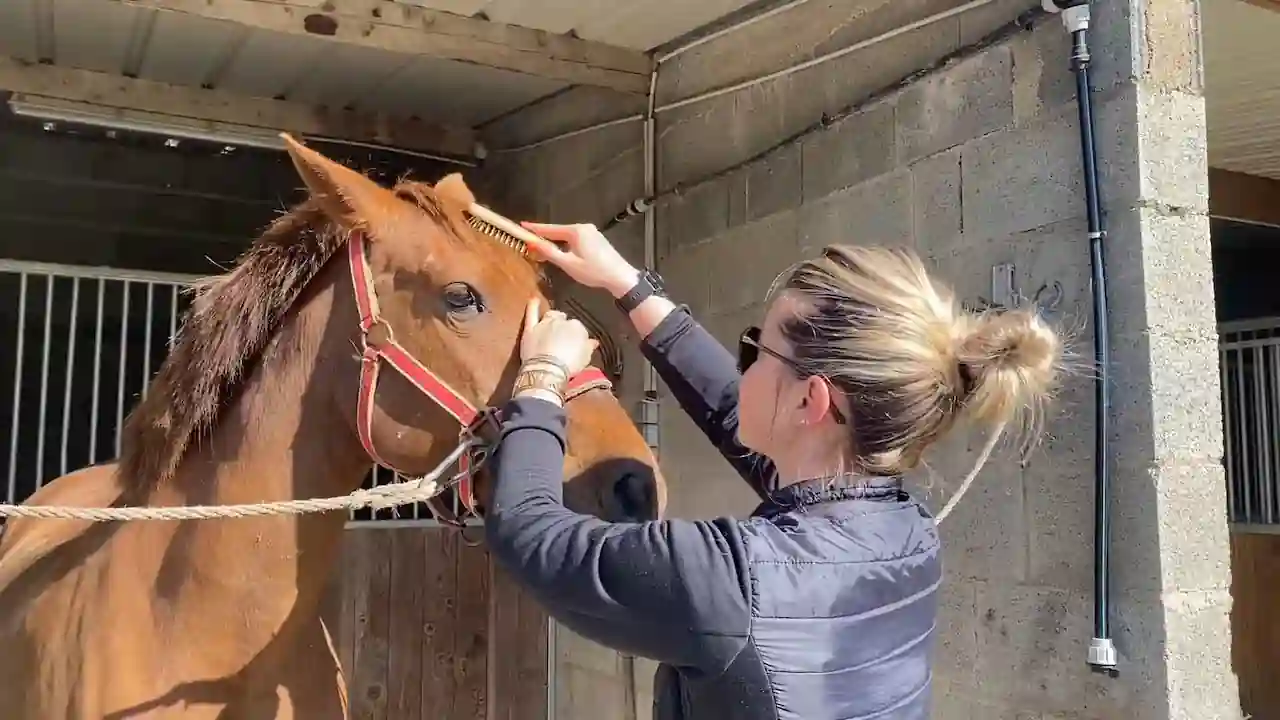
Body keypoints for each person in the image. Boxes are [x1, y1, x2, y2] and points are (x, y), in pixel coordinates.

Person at [482, 222, 1062, 720]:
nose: (745, 366)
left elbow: (530, 533)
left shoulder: (727, 581)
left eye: (755, 350)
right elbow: (741, 418)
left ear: (812, 402)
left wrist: (542, 376)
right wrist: (627, 285)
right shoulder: (903, 533)